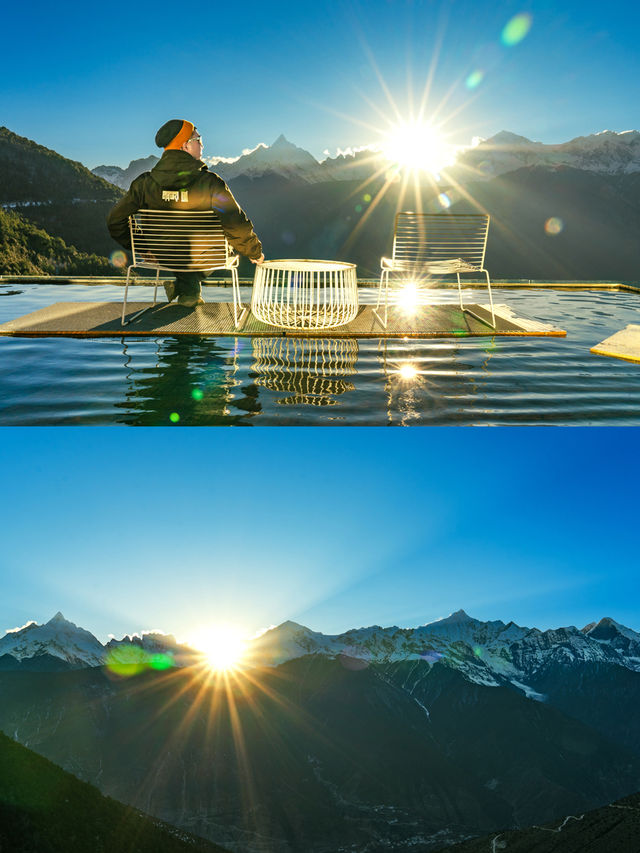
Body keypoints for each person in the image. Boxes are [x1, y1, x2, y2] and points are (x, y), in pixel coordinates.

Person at [107, 119, 264, 307]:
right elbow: (234, 223)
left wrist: (143, 248)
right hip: (207, 257)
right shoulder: (211, 182)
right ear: (185, 146)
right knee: (213, 250)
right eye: (198, 139)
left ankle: (185, 290)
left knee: (180, 251)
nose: (202, 144)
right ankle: (188, 292)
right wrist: (254, 251)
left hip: (162, 255)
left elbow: (114, 220)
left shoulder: (144, 184)